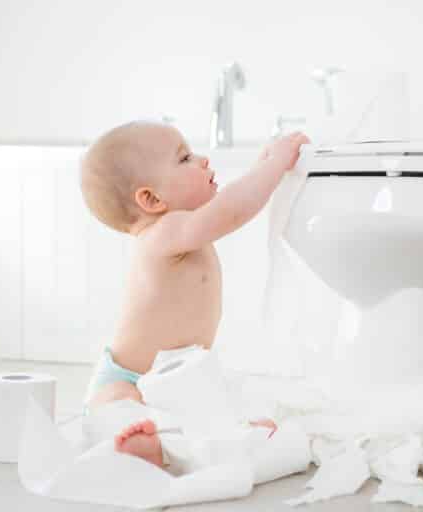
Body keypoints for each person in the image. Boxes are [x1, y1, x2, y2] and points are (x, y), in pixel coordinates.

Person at [79, 121, 310, 467]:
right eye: (185, 158)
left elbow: (234, 199)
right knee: (115, 406)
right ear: (152, 199)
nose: (202, 160)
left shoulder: (182, 229)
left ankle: (199, 434)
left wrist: (262, 168)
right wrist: (274, 166)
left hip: (182, 378)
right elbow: (232, 209)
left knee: (215, 400)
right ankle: (135, 440)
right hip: (130, 379)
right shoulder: (162, 234)